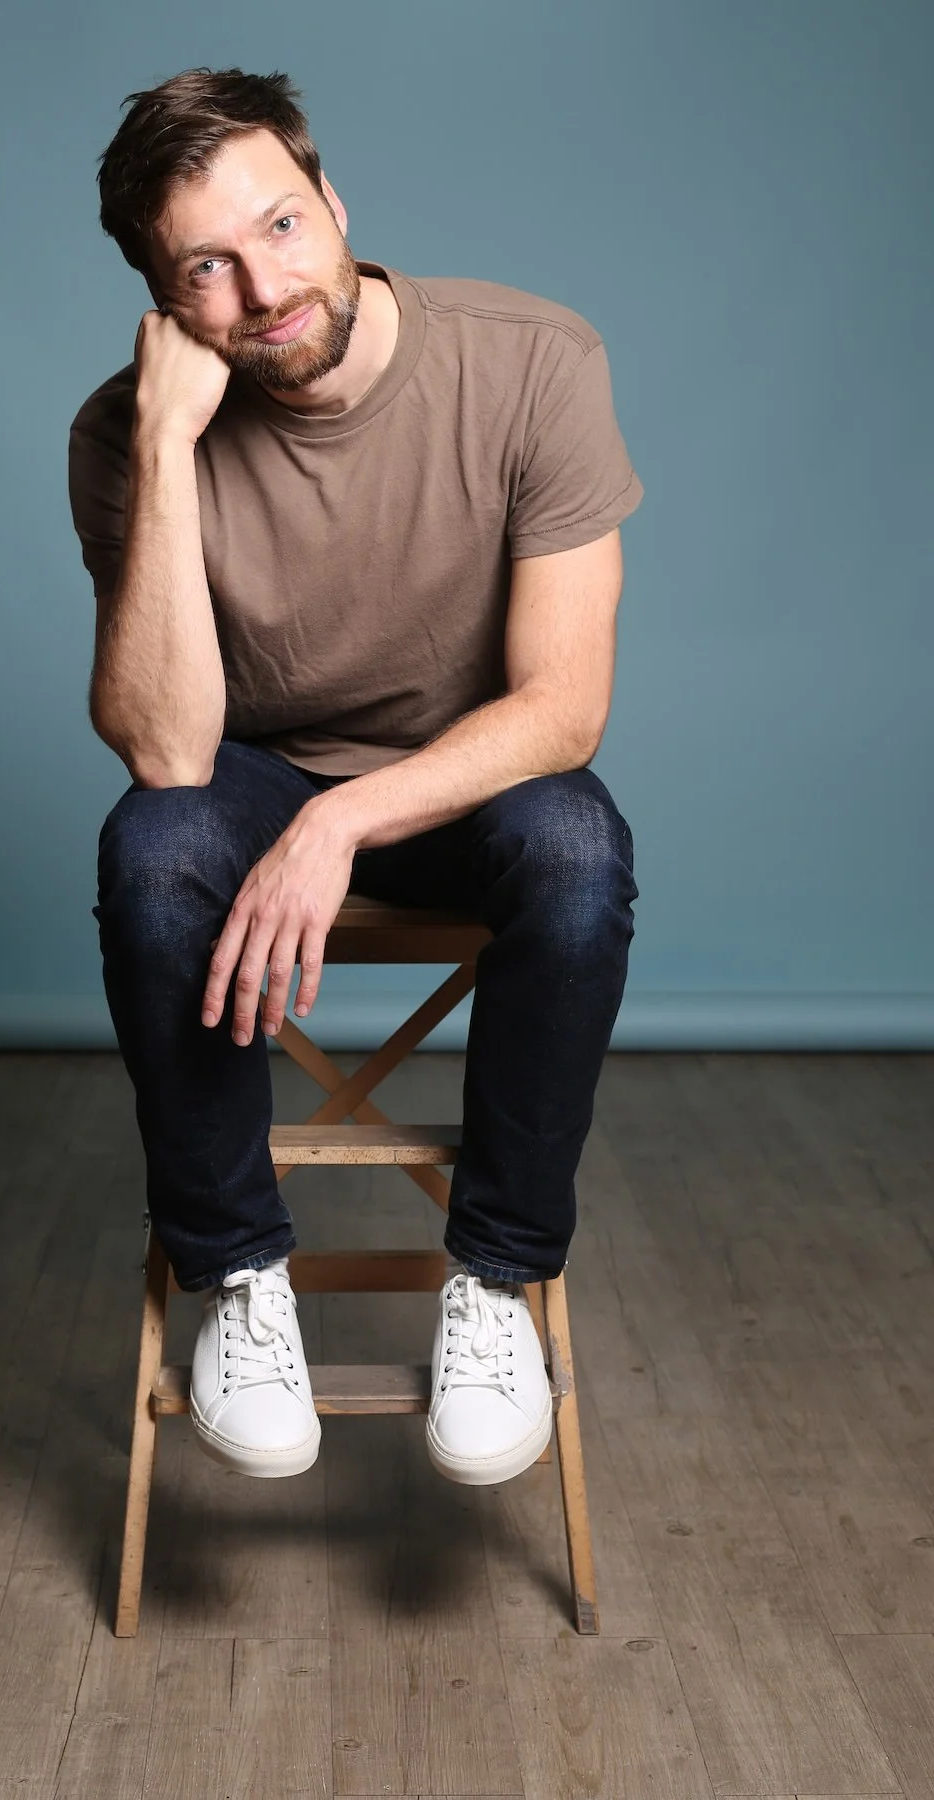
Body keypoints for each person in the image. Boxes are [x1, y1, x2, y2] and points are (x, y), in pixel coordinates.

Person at [67, 66, 642, 1489]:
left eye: (280, 225)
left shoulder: (536, 362)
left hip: (473, 780)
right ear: (161, 301)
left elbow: (564, 710)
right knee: (151, 847)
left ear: (333, 201)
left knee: (579, 850)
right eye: (206, 266)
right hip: (253, 777)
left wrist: (341, 820)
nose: (264, 288)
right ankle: (235, 1278)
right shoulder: (123, 436)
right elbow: (170, 754)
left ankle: (496, 1279)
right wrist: (165, 445)